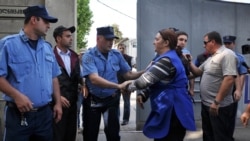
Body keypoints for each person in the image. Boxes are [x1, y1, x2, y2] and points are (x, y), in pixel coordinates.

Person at [0, 5, 62, 141]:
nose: (49, 26)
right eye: (46, 21)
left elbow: (54, 77)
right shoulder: (8, 45)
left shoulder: (46, 48)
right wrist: (16, 95)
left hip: (44, 115)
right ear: (34, 20)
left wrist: (57, 103)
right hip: (18, 116)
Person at [128, 28, 196, 141]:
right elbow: (158, 81)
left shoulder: (167, 60)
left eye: (156, 39)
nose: (153, 42)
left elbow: (144, 81)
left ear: (166, 43)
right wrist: (145, 93)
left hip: (173, 110)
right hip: (170, 108)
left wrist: (124, 86)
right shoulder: (167, 57)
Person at [81, 26, 144, 141]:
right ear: (98, 39)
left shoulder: (116, 55)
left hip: (111, 100)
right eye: (108, 39)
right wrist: (118, 86)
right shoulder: (89, 56)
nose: (111, 42)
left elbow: (128, 74)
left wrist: (146, 71)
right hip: (93, 101)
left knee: (113, 134)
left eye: (112, 40)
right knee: (90, 134)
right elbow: (94, 79)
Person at [189, 31, 237, 141]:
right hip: (207, 105)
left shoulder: (227, 54)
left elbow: (229, 79)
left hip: (219, 107)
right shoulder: (211, 57)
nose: (203, 45)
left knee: (220, 137)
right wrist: (188, 62)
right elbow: (197, 72)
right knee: (208, 135)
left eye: (205, 42)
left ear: (213, 42)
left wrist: (217, 102)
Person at [52, 25, 81, 141]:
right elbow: (45, 80)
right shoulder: (50, 56)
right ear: (58, 38)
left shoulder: (74, 56)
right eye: (68, 36)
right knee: (58, 136)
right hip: (56, 106)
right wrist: (57, 98)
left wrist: (82, 85)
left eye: (71, 36)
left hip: (73, 105)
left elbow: (77, 77)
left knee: (70, 136)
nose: (71, 38)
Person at [223, 35, 248, 139]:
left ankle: (229, 136)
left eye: (229, 43)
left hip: (233, 88)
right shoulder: (219, 55)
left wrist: (239, 90)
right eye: (226, 43)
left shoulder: (239, 57)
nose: (227, 45)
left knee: (231, 114)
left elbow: (242, 74)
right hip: (220, 87)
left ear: (234, 44)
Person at [117, 43, 136, 126]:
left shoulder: (130, 58)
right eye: (120, 48)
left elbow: (135, 67)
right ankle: (116, 119)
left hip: (127, 84)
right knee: (115, 102)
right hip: (116, 83)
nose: (121, 49)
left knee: (127, 102)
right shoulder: (114, 58)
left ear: (125, 49)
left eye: (123, 48)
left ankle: (125, 119)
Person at [175, 31, 195, 96]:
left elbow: (190, 73)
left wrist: (191, 89)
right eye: (181, 39)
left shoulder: (186, 53)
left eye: (185, 41)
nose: (183, 42)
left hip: (183, 89)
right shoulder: (166, 53)